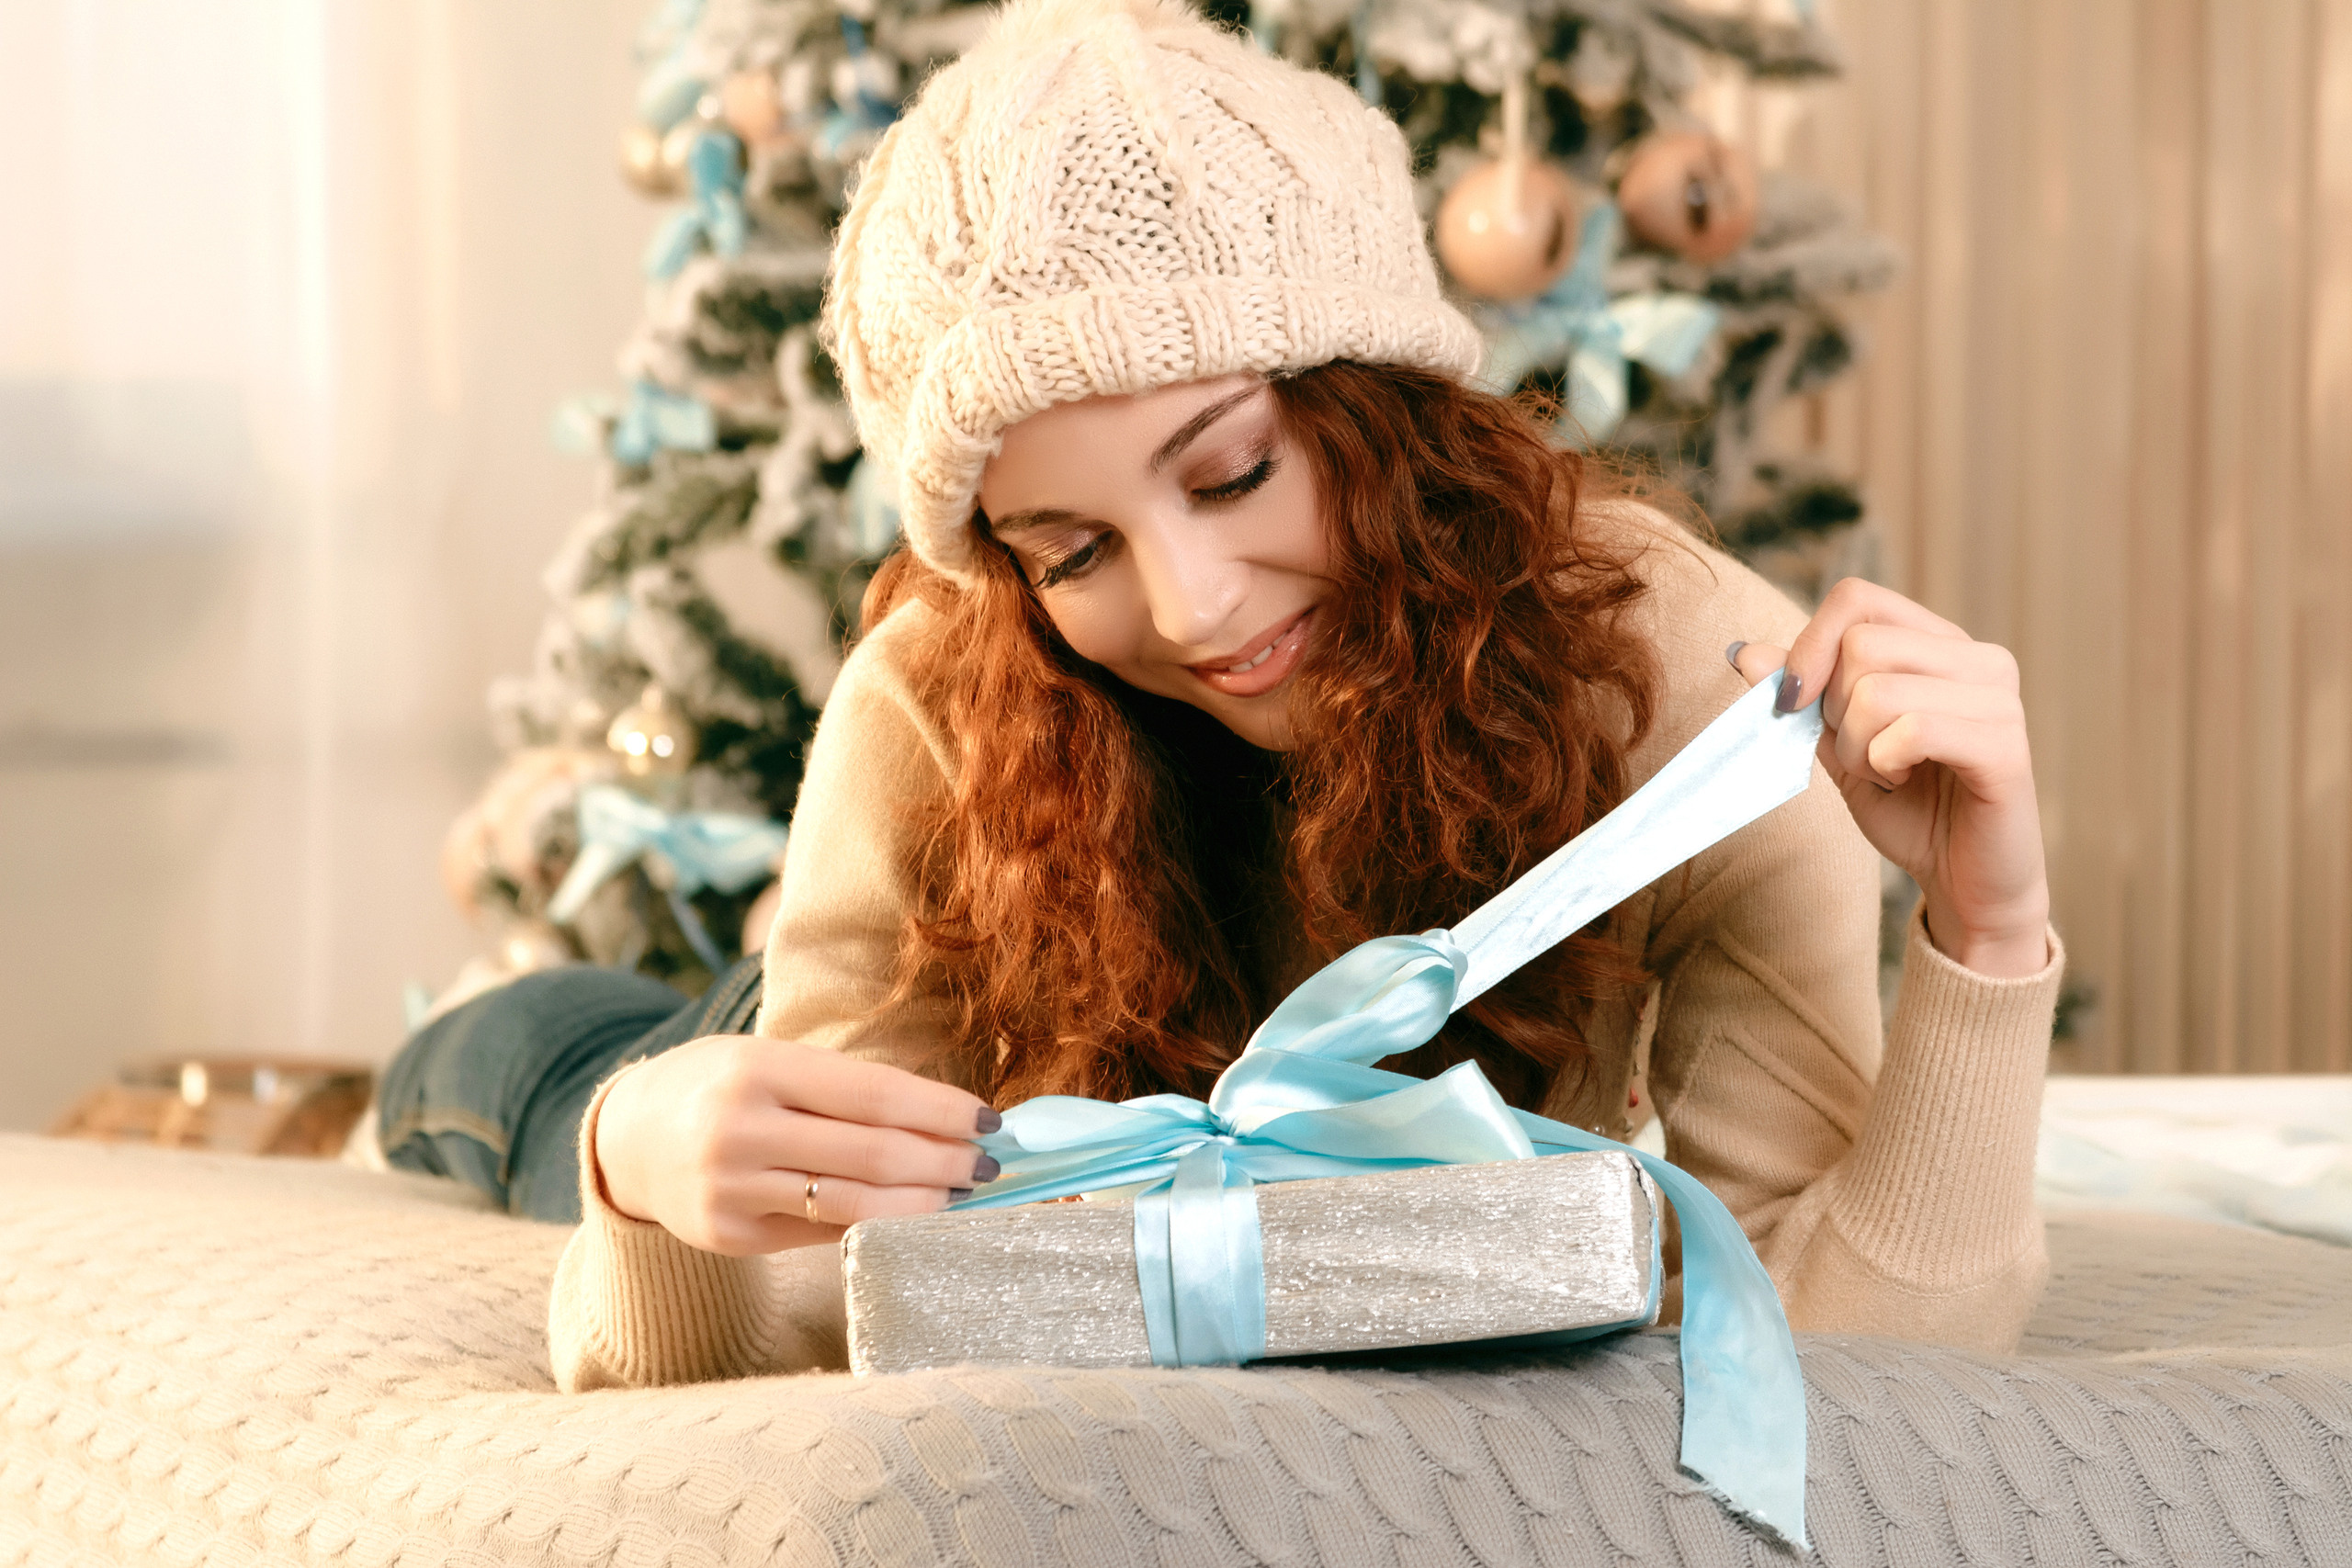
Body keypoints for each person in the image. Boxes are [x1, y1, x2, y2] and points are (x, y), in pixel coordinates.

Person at [386, 0, 2064, 1392]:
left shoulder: (1680, 677)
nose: (1194, 607)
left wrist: (1988, 932)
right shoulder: (945, 704)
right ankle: (471, 1068)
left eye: (1238, 471)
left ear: (1384, 412)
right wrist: (636, 1159)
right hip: (734, 1052)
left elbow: (1855, 1338)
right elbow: (779, 1332)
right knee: (526, 1066)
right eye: (1069, 548)